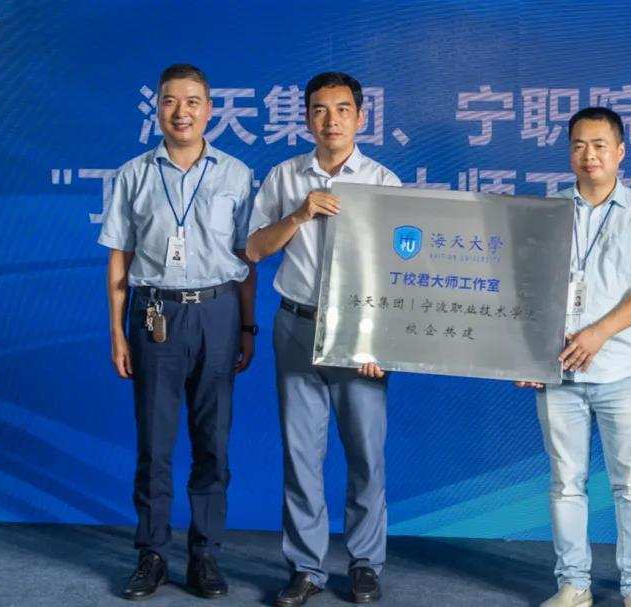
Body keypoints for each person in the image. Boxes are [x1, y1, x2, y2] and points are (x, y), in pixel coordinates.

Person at [99, 63, 257, 600]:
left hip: (218, 313)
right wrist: (117, 333)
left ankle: (205, 554)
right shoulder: (133, 175)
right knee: (155, 443)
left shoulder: (236, 174)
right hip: (154, 315)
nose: (181, 111)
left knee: (213, 442)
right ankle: (151, 555)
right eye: (170, 101)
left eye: (192, 101)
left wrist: (248, 327)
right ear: (157, 109)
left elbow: (247, 258)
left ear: (210, 110)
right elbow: (118, 259)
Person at [245, 71, 401, 606]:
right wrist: (299, 213)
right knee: (301, 455)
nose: (330, 120)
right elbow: (254, 250)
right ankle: (306, 567)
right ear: (307, 118)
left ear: (361, 117)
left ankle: (365, 564)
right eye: (319, 110)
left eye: (341, 109)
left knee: (365, 454)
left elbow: (401, 271)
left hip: (361, 333)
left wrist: (384, 341)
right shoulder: (285, 177)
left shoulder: (383, 181)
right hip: (298, 324)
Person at [518, 107, 631, 607]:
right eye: (579, 145)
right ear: (570, 153)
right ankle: (574, 584)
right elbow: (524, 287)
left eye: (600, 145)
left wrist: (599, 334)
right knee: (566, 483)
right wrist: (525, 357)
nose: (590, 155)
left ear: (621, 151)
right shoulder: (548, 211)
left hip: (622, 368)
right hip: (558, 371)